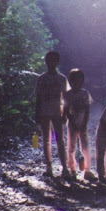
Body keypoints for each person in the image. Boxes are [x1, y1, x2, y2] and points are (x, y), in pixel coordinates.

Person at [35, 51, 71, 179]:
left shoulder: (62, 78)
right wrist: (37, 114)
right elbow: (38, 98)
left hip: (56, 113)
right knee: (46, 139)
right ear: (46, 61)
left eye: (54, 60)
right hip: (44, 113)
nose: (51, 63)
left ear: (57, 62)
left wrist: (65, 112)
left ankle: (64, 168)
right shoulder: (41, 79)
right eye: (49, 60)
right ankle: (49, 167)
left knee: (59, 139)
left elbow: (65, 97)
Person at [63, 68, 97, 181]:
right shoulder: (67, 94)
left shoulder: (85, 94)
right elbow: (66, 110)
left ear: (82, 81)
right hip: (72, 122)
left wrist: (84, 123)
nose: (76, 82)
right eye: (74, 80)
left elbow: (87, 110)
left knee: (85, 146)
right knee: (72, 146)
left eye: (79, 80)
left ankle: (87, 170)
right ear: (70, 81)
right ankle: (72, 169)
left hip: (82, 122)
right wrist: (71, 121)